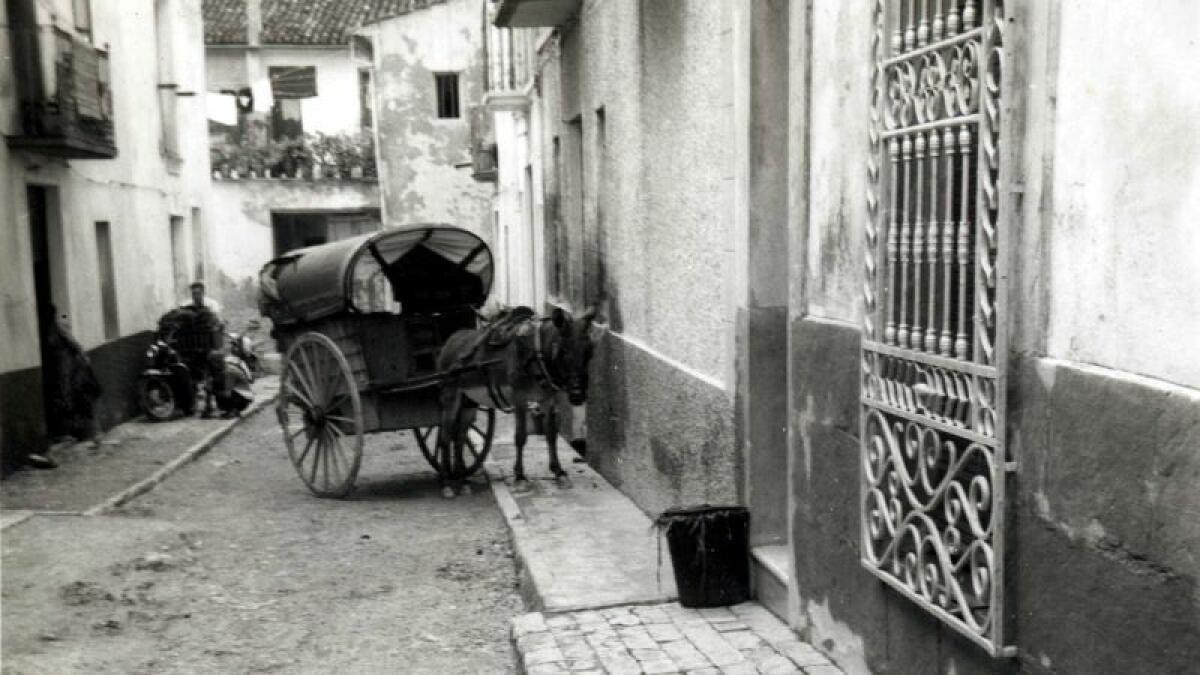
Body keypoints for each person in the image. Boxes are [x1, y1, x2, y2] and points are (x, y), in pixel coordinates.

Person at [29, 307, 102, 469]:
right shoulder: (58, 339)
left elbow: (72, 355)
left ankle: (87, 439)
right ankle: (87, 439)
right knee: (80, 409)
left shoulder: (60, 339)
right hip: (73, 381)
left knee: (81, 407)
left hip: (75, 380)